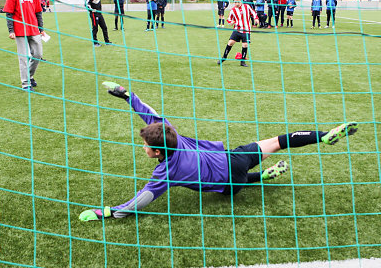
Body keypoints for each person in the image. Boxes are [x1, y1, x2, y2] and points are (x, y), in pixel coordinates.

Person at [79, 82, 359, 221]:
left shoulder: (165, 172)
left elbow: (141, 200)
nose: (143, 147)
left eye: (146, 146)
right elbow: (149, 113)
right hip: (233, 158)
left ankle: (261, 177)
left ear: (156, 152)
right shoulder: (171, 133)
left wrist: (107, 212)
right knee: (277, 141)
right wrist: (127, 95)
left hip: (230, 186)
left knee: (227, 183)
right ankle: (323, 137)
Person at [4, 0, 46, 91]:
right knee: (23, 57)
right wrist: (11, 31)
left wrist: (41, 29)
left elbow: (38, 13)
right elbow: (9, 14)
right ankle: (26, 83)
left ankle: (30, 75)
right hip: (19, 30)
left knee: (38, 54)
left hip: (33, 29)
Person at [217, 0, 259, 67]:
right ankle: (224, 58)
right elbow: (229, 19)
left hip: (246, 30)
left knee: (245, 45)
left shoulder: (247, 7)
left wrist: (256, 18)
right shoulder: (233, 10)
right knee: (230, 43)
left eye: (238, 2)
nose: (236, 3)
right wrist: (231, 22)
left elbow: (254, 13)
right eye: (235, 2)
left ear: (240, 1)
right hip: (237, 29)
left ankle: (242, 61)